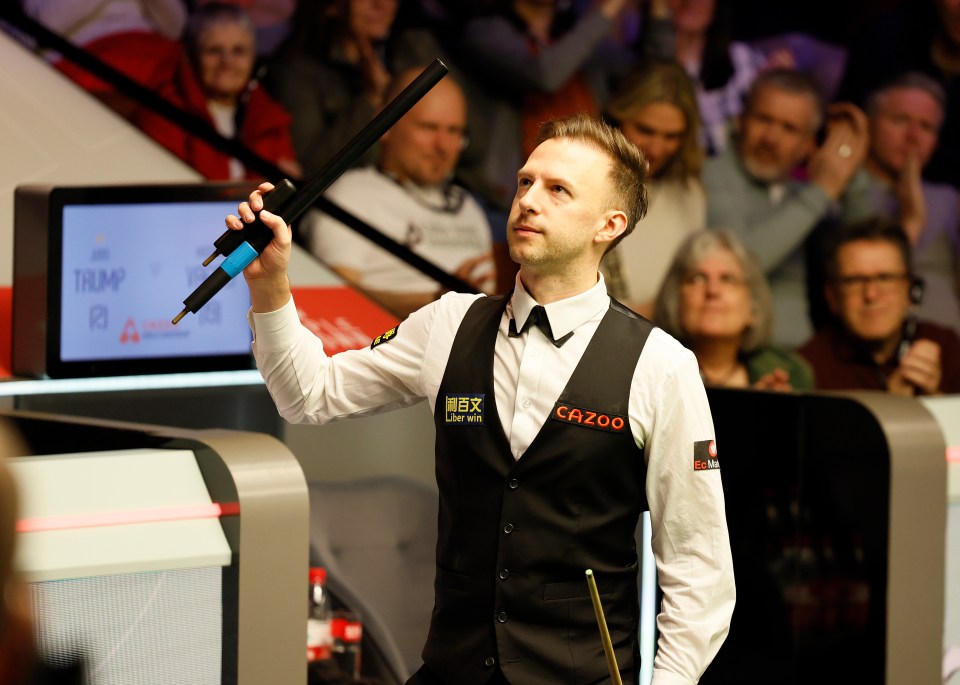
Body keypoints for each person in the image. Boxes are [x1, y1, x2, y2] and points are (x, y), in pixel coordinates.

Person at [228, 113, 735, 684]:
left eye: (557, 190)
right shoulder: (448, 323)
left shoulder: (661, 365)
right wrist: (270, 286)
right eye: (524, 182)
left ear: (609, 225)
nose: (528, 201)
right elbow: (306, 395)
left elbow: (699, 567)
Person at [300, 68, 496, 320]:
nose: (443, 146)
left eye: (454, 131)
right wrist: (435, 304)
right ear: (387, 124)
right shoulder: (352, 195)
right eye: (429, 128)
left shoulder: (469, 207)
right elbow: (334, 302)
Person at [702, 67, 875, 349]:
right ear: (741, 121)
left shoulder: (801, 196)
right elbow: (739, 262)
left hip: (800, 358)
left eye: (789, 128)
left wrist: (849, 163)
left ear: (808, 145)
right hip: (732, 356)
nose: (771, 138)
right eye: (763, 120)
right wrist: (824, 190)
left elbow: (865, 247)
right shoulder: (712, 175)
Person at [264, 0, 444, 177]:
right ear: (331, 6)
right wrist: (370, 99)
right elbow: (310, 167)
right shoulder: (298, 70)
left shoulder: (406, 55)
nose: (382, 4)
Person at [133, 2, 301, 181]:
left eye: (239, 51)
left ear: (254, 58)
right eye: (214, 51)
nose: (227, 62)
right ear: (191, 57)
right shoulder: (165, 113)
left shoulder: (270, 119)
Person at [798, 217, 960, 395]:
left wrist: (935, 398)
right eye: (854, 281)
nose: (871, 294)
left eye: (885, 278)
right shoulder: (807, 367)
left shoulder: (946, 345)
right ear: (832, 296)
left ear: (911, 290)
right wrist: (892, 406)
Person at [601, 58, 706, 316]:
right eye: (645, 130)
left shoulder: (691, 194)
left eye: (672, 136)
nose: (657, 149)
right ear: (617, 117)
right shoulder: (583, 179)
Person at [653, 229, 814, 391]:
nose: (712, 290)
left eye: (727, 279)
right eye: (697, 278)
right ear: (675, 299)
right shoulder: (649, 371)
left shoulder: (792, 373)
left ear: (753, 306)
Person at [861, 72, 960, 333]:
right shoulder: (845, 191)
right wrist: (911, 221)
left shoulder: (949, 198)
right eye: (900, 120)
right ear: (870, 124)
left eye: (926, 127)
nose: (913, 136)